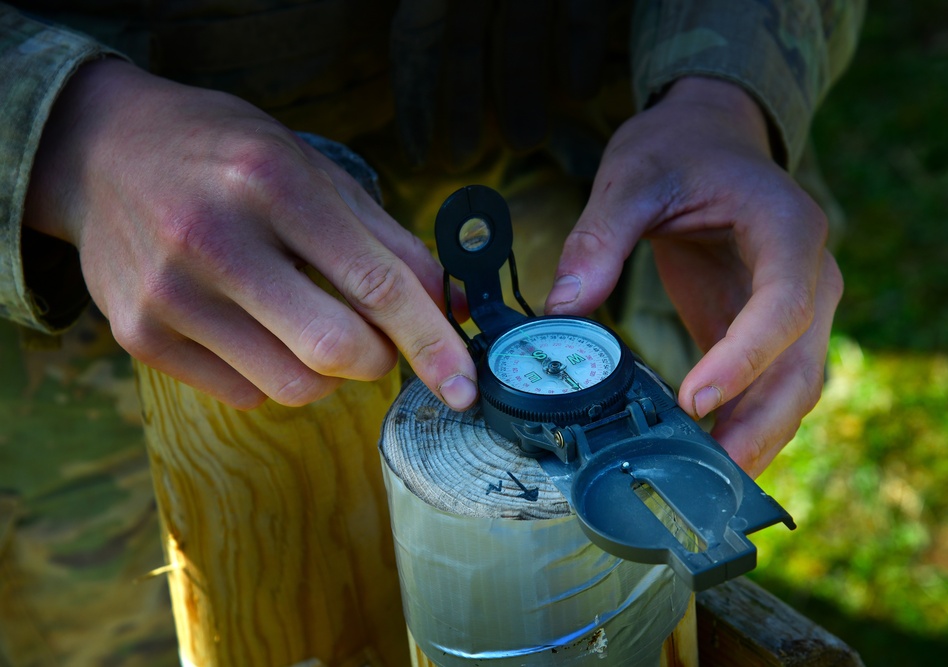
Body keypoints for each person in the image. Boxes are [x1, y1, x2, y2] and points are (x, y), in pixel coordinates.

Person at [0, 0, 864, 663]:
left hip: (592, 185)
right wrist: (59, 128)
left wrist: (725, 88)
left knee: (610, 610)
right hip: (143, 271)